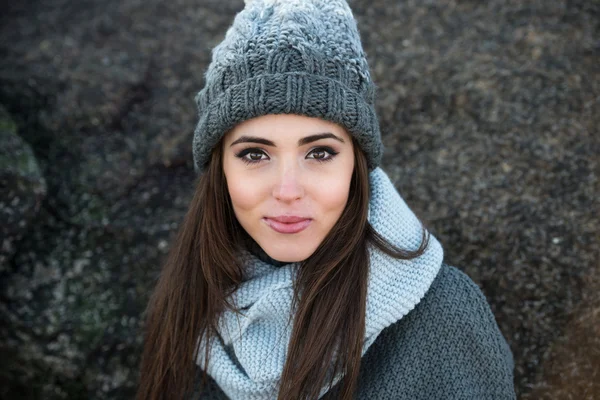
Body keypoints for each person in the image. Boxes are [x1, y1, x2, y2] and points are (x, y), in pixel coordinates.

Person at [137, 0, 516, 399]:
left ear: (356, 165)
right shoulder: (190, 304)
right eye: (254, 154)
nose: (287, 190)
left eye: (319, 153)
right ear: (221, 171)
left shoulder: (441, 315)